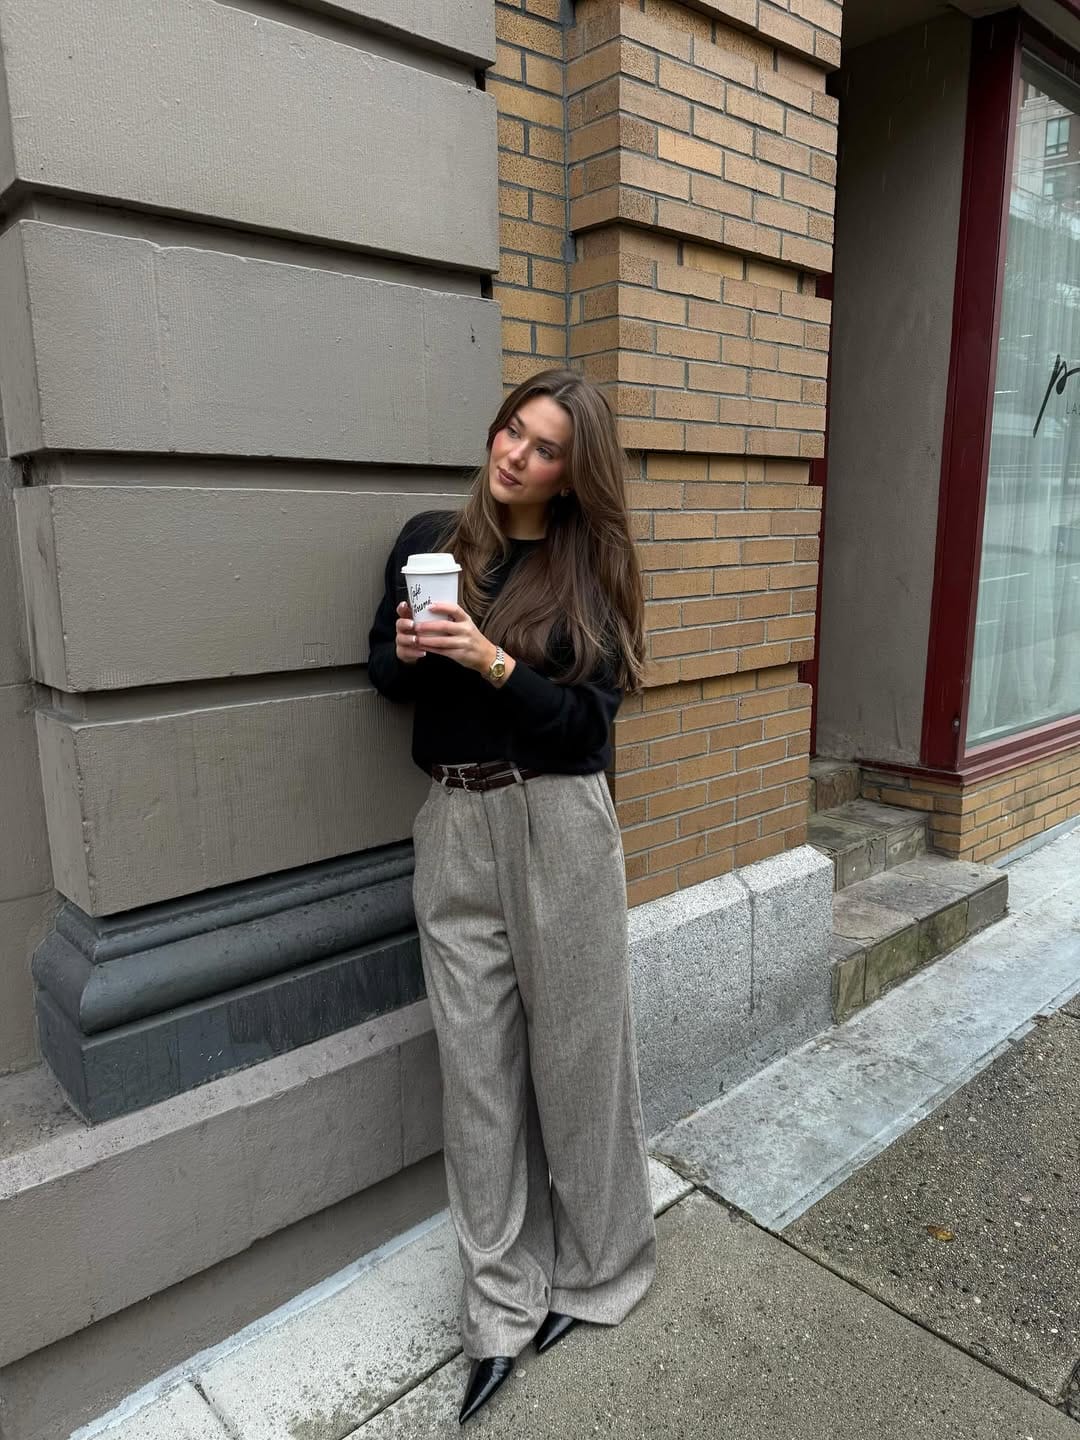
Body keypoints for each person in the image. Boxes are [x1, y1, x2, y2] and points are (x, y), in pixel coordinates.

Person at [368, 369, 656, 1424]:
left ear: (572, 476)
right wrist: (408, 652)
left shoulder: (591, 572)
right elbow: (382, 674)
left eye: (542, 448)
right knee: (476, 1073)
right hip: (453, 823)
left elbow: (586, 732)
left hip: (559, 824)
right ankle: (497, 1310)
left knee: (581, 1060)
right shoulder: (428, 542)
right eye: (509, 430)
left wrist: (491, 660)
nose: (514, 455)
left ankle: (602, 1268)